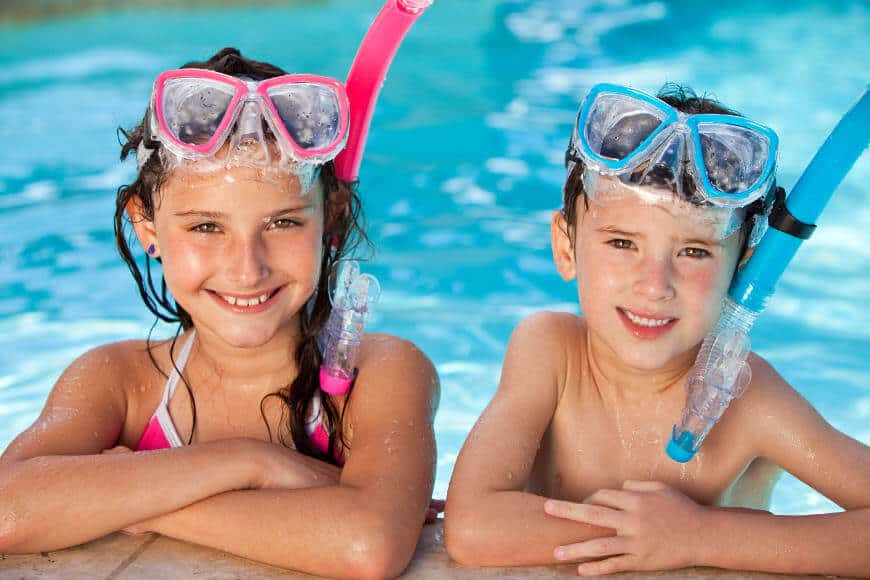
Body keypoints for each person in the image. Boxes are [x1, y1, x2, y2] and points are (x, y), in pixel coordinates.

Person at [0, 47, 440, 580]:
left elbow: (368, 545)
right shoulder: (118, 380)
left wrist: (129, 491)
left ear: (332, 221)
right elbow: (8, 510)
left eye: (282, 224)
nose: (246, 270)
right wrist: (250, 462)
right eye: (206, 227)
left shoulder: (383, 372)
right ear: (147, 228)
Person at [444, 82, 870, 577]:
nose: (654, 286)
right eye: (623, 242)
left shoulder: (749, 399)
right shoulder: (550, 353)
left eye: (694, 251)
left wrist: (700, 537)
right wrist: (645, 539)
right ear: (566, 247)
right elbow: (473, 526)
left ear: (742, 272)